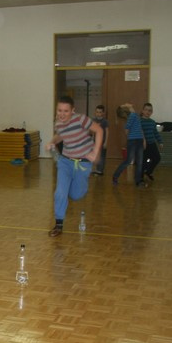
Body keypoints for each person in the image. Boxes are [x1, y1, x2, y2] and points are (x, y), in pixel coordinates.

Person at [45, 96, 103, 237]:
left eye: (66, 111)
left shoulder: (81, 119)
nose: (62, 114)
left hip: (83, 163)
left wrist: (95, 152)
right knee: (60, 193)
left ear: (73, 110)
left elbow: (99, 130)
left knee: (76, 195)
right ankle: (59, 224)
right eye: (59, 110)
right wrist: (52, 142)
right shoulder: (58, 123)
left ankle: (71, 190)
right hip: (65, 162)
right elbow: (60, 135)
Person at [112, 103, 146, 187]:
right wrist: (130, 139)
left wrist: (143, 140)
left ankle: (138, 181)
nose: (130, 105)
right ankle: (115, 176)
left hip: (139, 140)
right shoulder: (133, 115)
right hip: (133, 141)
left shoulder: (135, 116)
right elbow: (126, 130)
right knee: (128, 161)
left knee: (139, 162)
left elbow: (140, 129)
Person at [140, 103, 163, 181]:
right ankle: (140, 178)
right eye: (146, 110)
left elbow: (156, 133)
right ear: (142, 111)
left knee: (157, 158)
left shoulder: (152, 122)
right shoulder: (139, 121)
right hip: (143, 145)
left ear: (152, 112)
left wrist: (160, 142)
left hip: (152, 144)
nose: (147, 112)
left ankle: (148, 172)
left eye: (150, 110)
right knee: (143, 161)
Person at [91, 105, 109, 175]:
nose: (98, 114)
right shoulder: (94, 120)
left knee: (102, 156)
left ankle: (100, 170)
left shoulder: (105, 121)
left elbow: (107, 132)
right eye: (97, 112)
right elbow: (93, 131)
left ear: (103, 113)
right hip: (95, 141)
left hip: (102, 141)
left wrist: (106, 142)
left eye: (100, 112)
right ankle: (95, 169)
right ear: (95, 112)